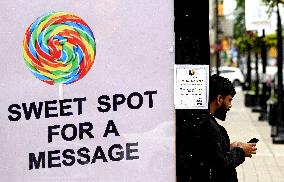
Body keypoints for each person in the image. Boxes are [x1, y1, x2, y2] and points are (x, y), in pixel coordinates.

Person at [198, 74, 257, 181]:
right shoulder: (207, 124)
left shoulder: (207, 121)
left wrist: (230, 147)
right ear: (219, 99)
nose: (230, 105)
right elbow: (221, 164)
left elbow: (212, 153)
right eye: (229, 100)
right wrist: (241, 152)